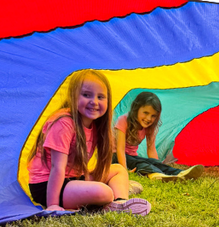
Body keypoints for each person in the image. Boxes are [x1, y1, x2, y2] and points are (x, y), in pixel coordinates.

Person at [27, 69, 150, 216]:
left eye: (100, 97)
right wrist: (53, 204)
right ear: (73, 96)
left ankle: (120, 202)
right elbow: (57, 167)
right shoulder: (64, 123)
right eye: (86, 95)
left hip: (74, 179)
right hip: (48, 186)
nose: (94, 102)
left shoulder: (97, 125)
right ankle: (109, 198)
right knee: (103, 191)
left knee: (118, 170)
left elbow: (88, 167)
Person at [114, 90, 204, 182]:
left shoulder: (149, 126)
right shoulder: (123, 120)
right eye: (145, 113)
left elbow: (151, 149)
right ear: (136, 109)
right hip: (114, 156)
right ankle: (156, 175)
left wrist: (156, 163)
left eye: (153, 116)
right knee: (140, 163)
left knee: (150, 162)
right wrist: (124, 170)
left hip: (132, 157)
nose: (149, 118)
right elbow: (120, 149)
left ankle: (180, 173)